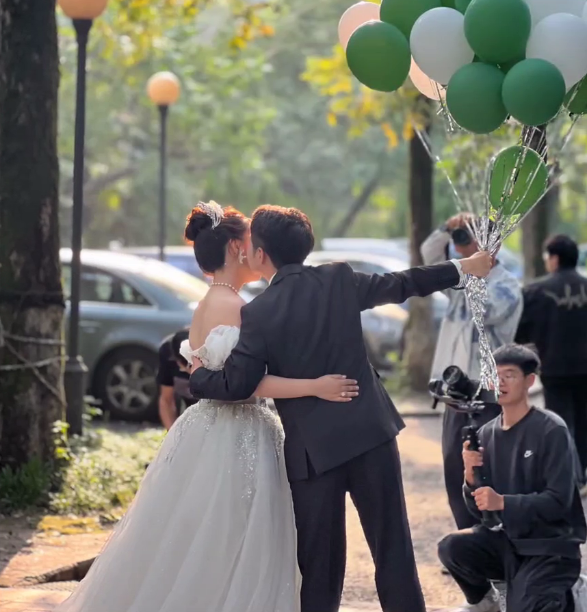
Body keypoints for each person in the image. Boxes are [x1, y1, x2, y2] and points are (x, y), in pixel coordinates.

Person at [57, 202, 360, 612]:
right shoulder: (231, 306)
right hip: (235, 432)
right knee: (232, 538)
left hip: (214, 428)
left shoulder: (213, 300)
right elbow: (243, 385)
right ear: (236, 248)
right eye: (252, 241)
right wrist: (315, 386)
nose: (258, 249)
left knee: (207, 535)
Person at [190, 204, 493, 612]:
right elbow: (403, 283)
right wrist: (463, 268)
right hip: (371, 434)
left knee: (320, 566)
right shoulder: (338, 278)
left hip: (313, 455)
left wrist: (197, 373)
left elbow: (237, 383)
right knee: (394, 551)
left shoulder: (259, 312)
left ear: (260, 254)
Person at [438, 344, 586, 612]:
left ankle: (572, 593)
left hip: (550, 547)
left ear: (530, 381)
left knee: (530, 606)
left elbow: (559, 502)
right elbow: (481, 511)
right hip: (508, 542)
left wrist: (503, 502)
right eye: (495, 376)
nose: (501, 382)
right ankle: (487, 601)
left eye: (510, 375)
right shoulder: (486, 434)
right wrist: (470, 477)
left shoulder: (551, 429)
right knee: (452, 547)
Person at [421, 213, 522, 531]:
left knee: (487, 471)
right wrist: (447, 229)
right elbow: (429, 256)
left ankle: (492, 539)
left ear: (495, 244)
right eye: (465, 236)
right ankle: (467, 538)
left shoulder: (506, 286)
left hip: (488, 396)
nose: (466, 243)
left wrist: (471, 267)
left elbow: (485, 310)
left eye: (473, 237)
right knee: (455, 471)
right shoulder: (460, 279)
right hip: (454, 395)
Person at [516, 234, 587, 487]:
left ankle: (570, 477)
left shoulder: (535, 291)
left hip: (554, 368)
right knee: (584, 421)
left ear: (554, 259)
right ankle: (581, 473)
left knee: (560, 422)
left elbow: (520, 332)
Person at [157, 327, 194, 429]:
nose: (192, 371)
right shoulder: (168, 351)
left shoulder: (221, 351)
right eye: (188, 366)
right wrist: (172, 435)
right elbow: (166, 400)